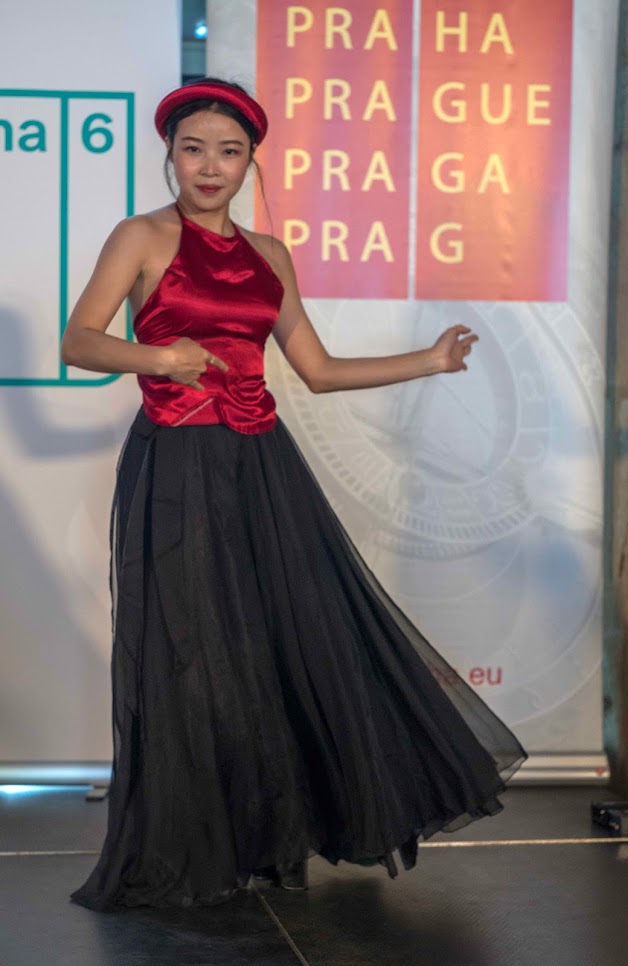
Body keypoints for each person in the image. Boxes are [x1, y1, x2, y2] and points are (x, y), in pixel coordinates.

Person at [63, 77, 526, 911]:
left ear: (250, 163)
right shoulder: (141, 235)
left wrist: (428, 362)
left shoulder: (270, 255)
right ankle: (193, 848)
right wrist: (160, 358)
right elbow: (79, 341)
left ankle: (273, 837)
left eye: (229, 152)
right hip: (178, 462)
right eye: (194, 149)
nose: (211, 166)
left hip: (262, 466)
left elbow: (316, 370)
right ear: (171, 153)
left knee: (285, 641)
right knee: (191, 653)